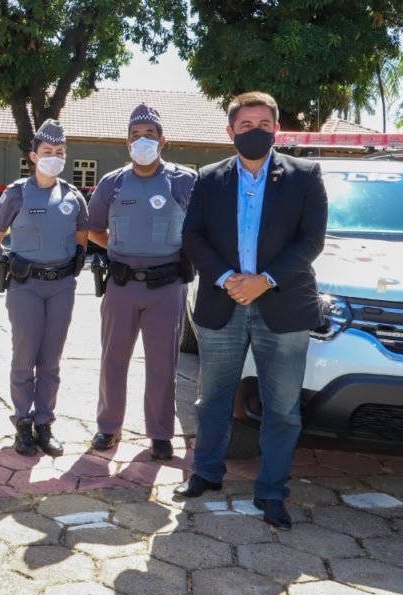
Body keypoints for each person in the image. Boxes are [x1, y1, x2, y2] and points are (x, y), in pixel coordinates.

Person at [178, 91, 328, 531]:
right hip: (222, 302)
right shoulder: (208, 178)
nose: (255, 132)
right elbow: (194, 237)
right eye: (246, 126)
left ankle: (271, 492)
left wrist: (265, 280)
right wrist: (228, 279)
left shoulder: (304, 175)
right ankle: (206, 472)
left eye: (264, 125)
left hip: (283, 305)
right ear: (230, 133)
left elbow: (311, 240)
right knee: (212, 400)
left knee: (282, 408)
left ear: (275, 129)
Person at [86, 104, 197, 461]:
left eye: (150, 135)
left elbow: (198, 231)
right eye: (136, 136)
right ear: (127, 143)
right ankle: (108, 427)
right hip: (120, 285)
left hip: (166, 287)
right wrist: (121, 249)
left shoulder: (182, 181)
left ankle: (160, 434)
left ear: (163, 140)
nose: (142, 141)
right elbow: (93, 230)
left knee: (163, 363)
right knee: (113, 359)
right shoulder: (112, 183)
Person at [0, 120, 88, 456]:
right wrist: (8, 265)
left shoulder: (73, 197)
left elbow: (81, 242)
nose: (53, 157)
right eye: (47, 152)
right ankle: (22, 424)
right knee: (24, 357)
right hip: (26, 286)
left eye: (59, 152)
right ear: (33, 155)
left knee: (51, 360)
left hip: (61, 287)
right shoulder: (16, 194)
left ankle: (44, 423)